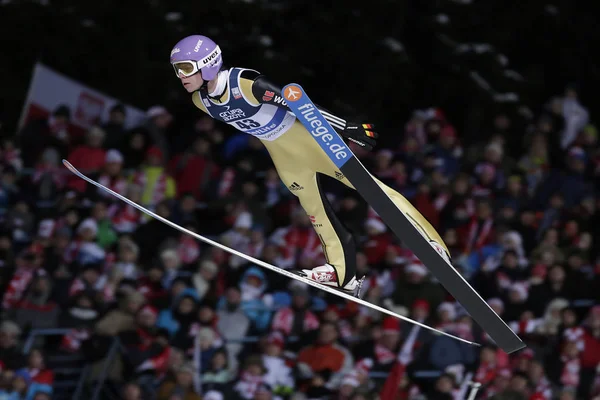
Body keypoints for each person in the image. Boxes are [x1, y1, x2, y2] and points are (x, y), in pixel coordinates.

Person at [169, 35, 451, 294]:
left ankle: (429, 241)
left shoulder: (244, 83)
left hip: (307, 141)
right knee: (313, 208)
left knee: (369, 188)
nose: (180, 76)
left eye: (184, 67)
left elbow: (298, 104)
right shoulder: (200, 101)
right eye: (176, 69)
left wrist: (345, 127)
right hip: (280, 152)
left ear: (207, 64)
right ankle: (342, 272)